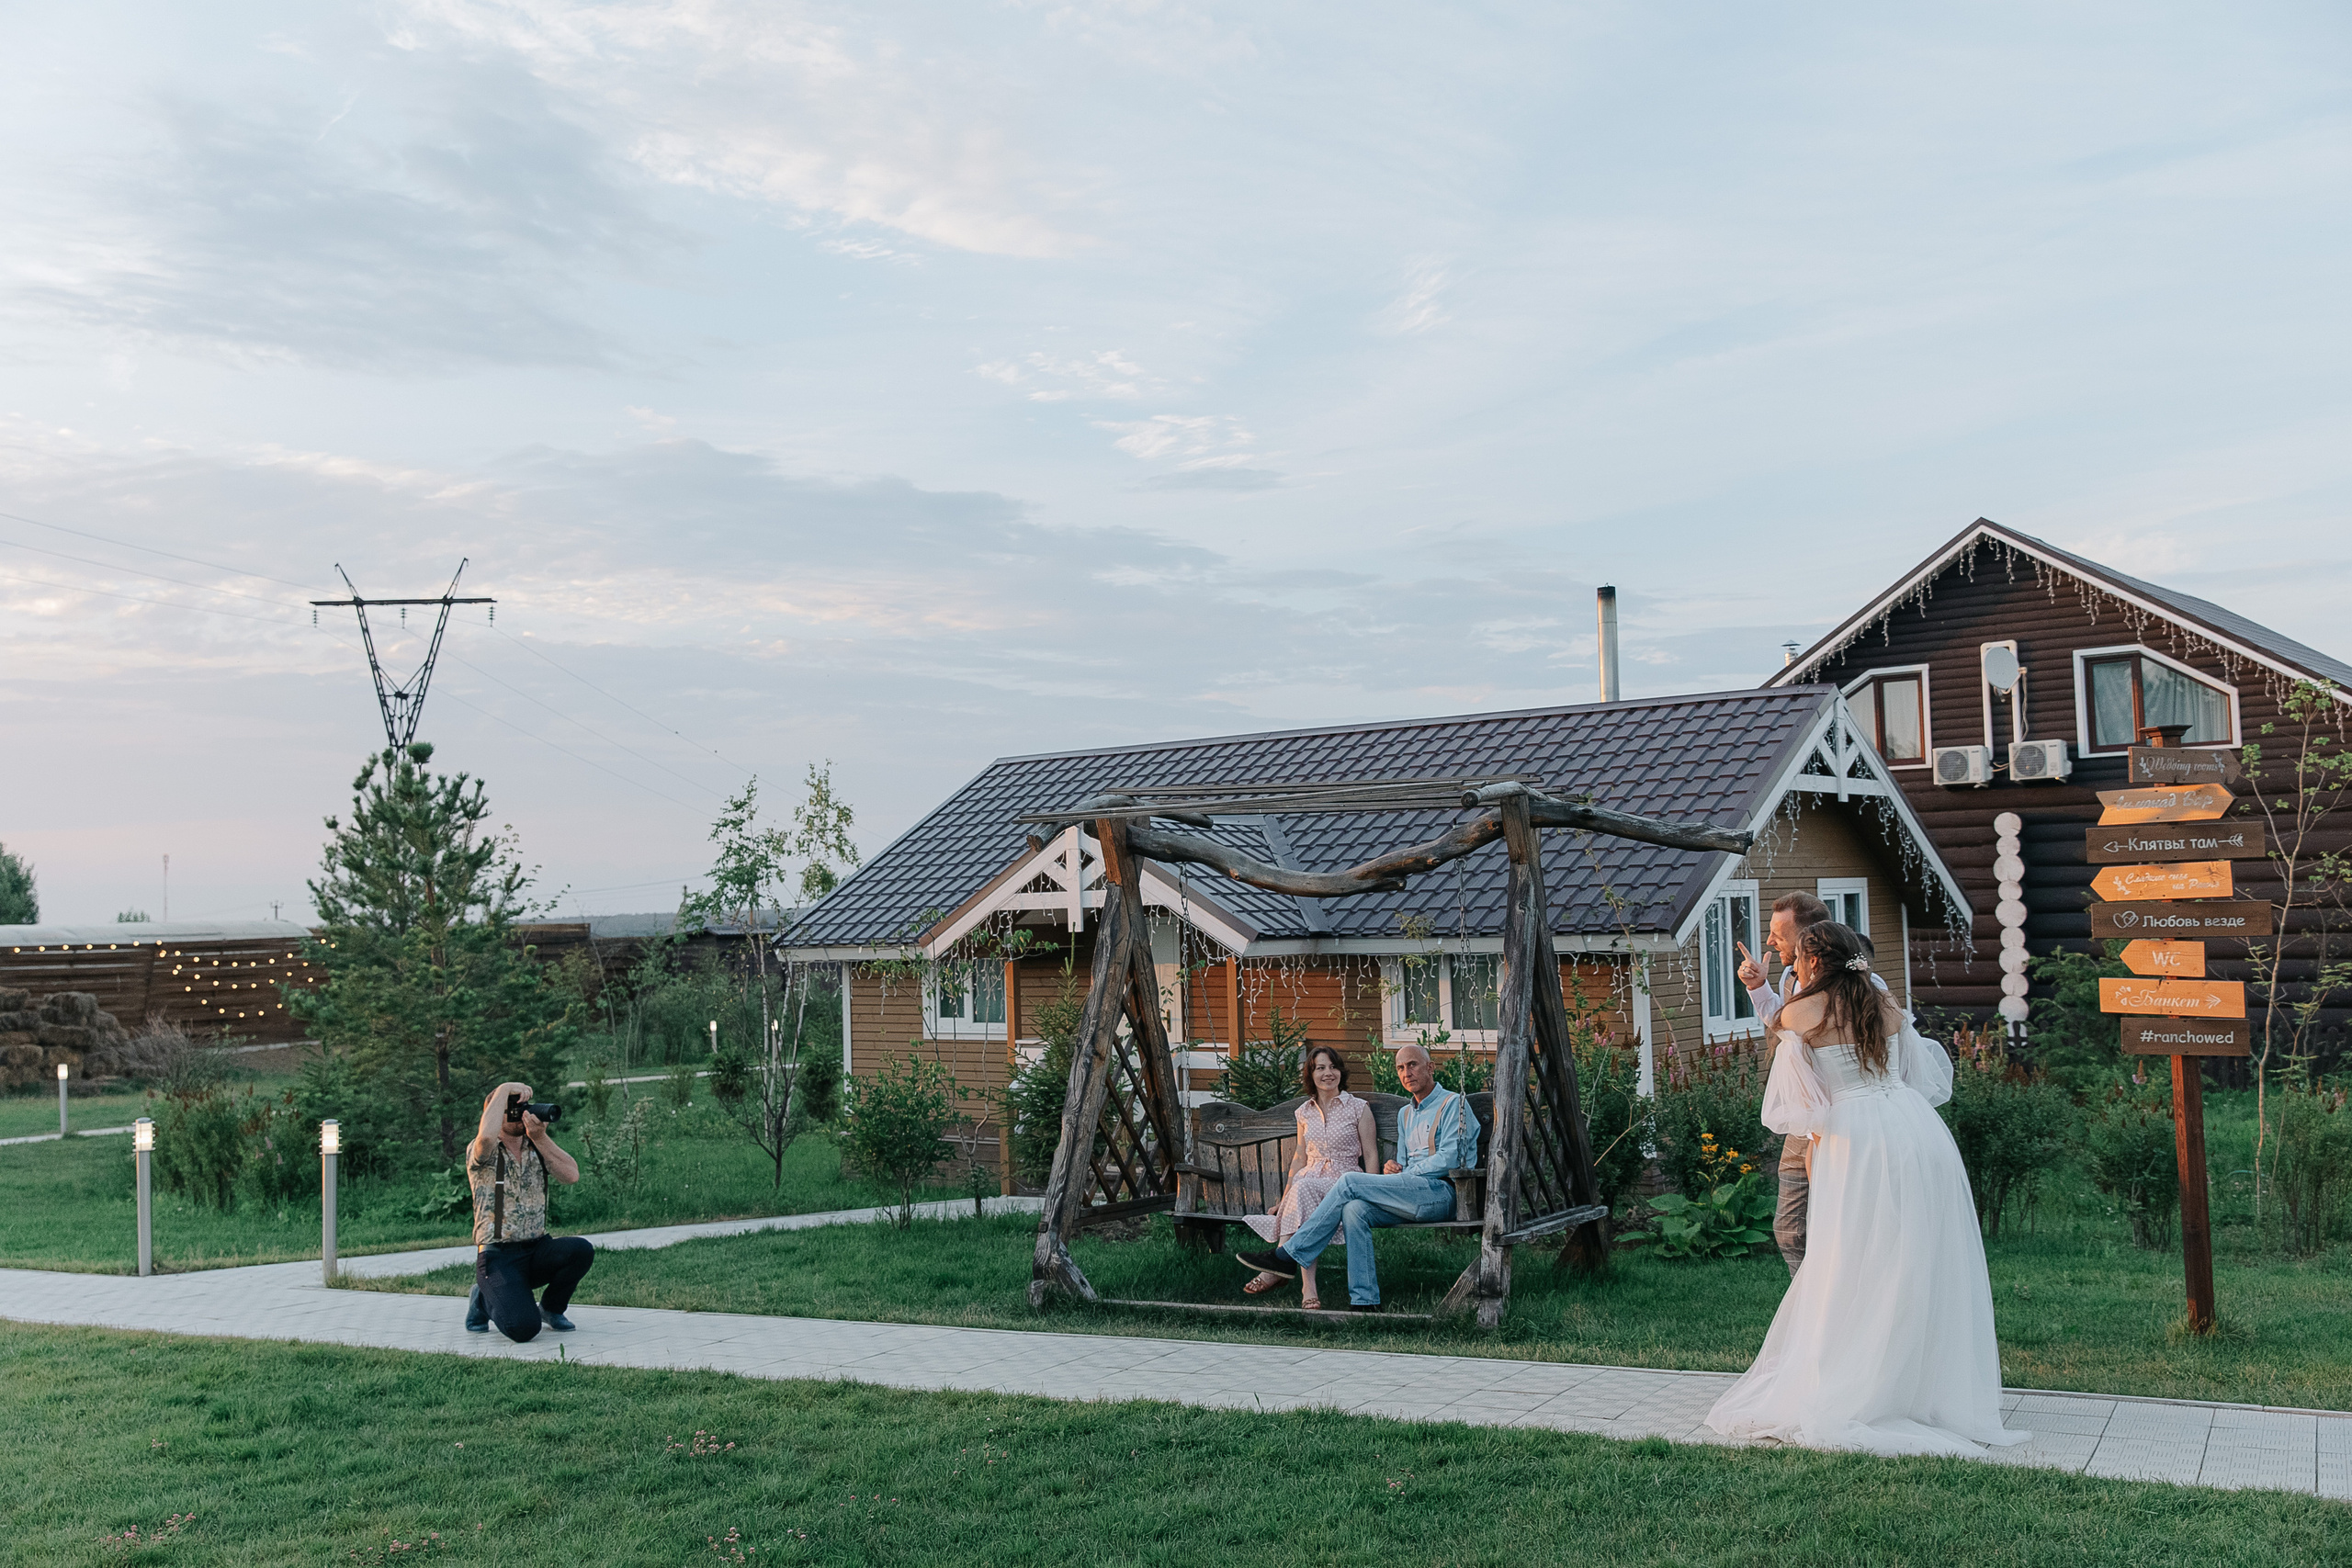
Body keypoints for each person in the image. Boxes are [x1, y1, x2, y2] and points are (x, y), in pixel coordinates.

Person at [1704, 922, 2029, 1457]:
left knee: (1851, 1258)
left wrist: (1818, 1147)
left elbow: (1800, 1110)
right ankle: (1919, 1388)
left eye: (1799, 958)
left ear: (1813, 962)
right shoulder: (1885, 1003)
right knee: (1916, 1256)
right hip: (1917, 1131)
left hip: (1856, 1141)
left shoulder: (1800, 1014)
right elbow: (1917, 1075)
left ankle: (1859, 1383)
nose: (1795, 966)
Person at [1235, 1042, 1476, 1313]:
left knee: (1349, 1181)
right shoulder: (1406, 1113)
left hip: (1441, 1195)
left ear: (1430, 1067)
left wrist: (1404, 1175)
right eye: (1400, 1068)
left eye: (1413, 1065)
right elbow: (1405, 1162)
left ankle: (1287, 1255)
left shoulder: (1454, 1104)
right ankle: (1365, 1301)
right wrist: (1394, 1169)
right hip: (1409, 1195)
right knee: (1354, 1209)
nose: (1406, 1072)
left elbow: (1452, 1158)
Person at [1735, 893, 1893, 1277]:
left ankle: (1843, 1296)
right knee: (1790, 1229)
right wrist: (1759, 987)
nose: (1770, 941)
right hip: (1806, 1118)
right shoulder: (1791, 978)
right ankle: (1808, 1302)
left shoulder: (1867, 985)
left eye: (1778, 934)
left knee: (1845, 1229)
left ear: (1810, 937)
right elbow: (1788, 1028)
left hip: (1854, 1124)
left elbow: (1887, 1052)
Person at [1239, 1046, 1378, 1309]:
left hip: (1344, 1182)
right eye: (1320, 1068)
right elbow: (1299, 1157)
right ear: (1311, 1075)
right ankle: (1306, 1286)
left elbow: (1371, 1154)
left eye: (1333, 1067)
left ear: (1341, 1071)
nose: (1328, 1073)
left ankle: (1279, 1268)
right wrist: (1284, 1199)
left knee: (1304, 1189)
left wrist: (1372, 1192)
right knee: (1303, 1192)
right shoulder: (1304, 1112)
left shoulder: (1358, 1108)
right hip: (1308, 1181)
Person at [461, 1081, 594, 1342]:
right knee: (523, 1329)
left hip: (536, 1250)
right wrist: (503, 1089)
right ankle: (482, 1299)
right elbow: (486, 1137)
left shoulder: (536, 1147)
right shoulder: (483, 1151)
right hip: (498, 1257)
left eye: (523, 1108)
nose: (520, 1114)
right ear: (493, 1114)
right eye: (511, 1109)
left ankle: (551, 1309)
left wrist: (541, 1137)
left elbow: (571, 1175)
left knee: (580, 1250)